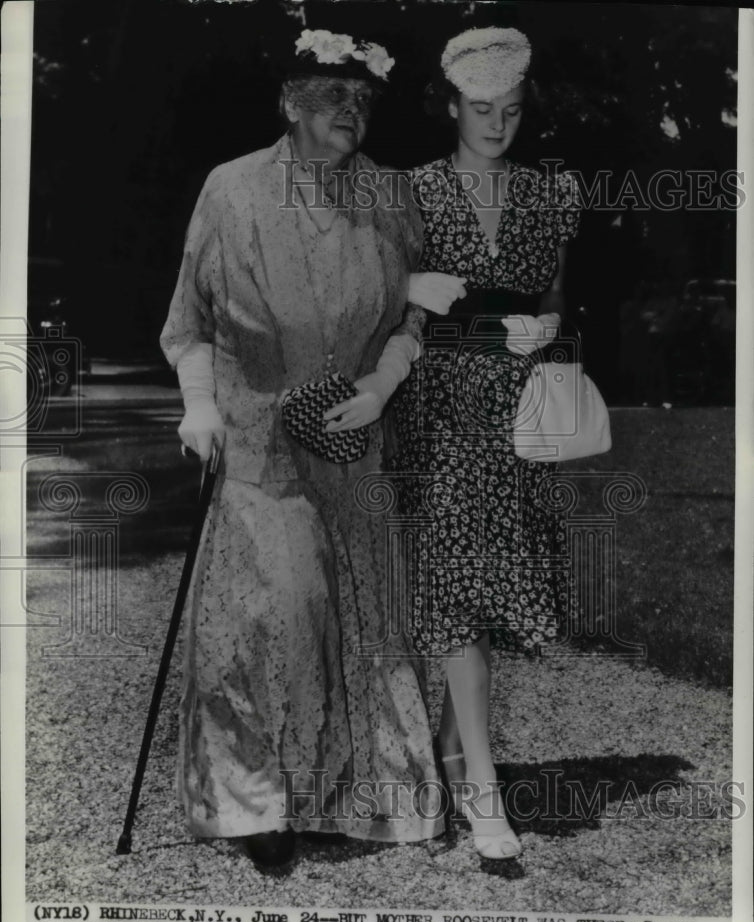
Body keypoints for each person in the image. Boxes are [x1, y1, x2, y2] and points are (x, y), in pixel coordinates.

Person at [160, 28, 452, 867]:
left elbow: (412, 317)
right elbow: (191, 324)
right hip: (258, 445)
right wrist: (200, 406)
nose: (350, 113)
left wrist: (381, 388)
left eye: (363, 101)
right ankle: (256, 803)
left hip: (353, 445)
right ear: (290, 103)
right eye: (331, 97)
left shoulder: (392, 196)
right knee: (276, 611)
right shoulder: (232, 191)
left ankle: (367, 795)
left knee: (367, 620)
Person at [389, 26, 581, 860]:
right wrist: (407, 289)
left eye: (508, 110)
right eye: (479, 109)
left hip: (516, 411)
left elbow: (557, 302)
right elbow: (371, 296)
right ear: (451, 107)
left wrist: (545, 327)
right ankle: (483, 791)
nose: (495, 125)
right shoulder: (413, 190)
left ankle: (442, 762)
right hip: (439, 406)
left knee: (488, 583)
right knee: (461, 580)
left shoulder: (551, 194)